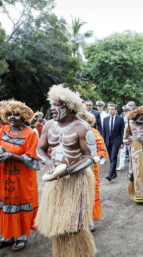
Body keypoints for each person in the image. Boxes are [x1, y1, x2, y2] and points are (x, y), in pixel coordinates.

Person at [35, 85, 97, 257]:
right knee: (57, 222)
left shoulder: (83, 127)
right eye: (52, 105)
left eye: (58, 105)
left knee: (74, 224)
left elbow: (90, 157)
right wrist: (47, 161)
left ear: (70, 107)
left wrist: (68, 170)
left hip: (76, 180)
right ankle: (61, 253)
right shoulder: (48, 126)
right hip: (55, 181)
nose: (53, 109)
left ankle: (80, 252)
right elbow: (39, 149)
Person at [0, 100, 39, 251]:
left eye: (16, 115)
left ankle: (21, 236)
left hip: (21, 177)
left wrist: (11, 155)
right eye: (9, 114)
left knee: (20, 204)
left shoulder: (30, 134)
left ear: (24, 116)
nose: (11, 117)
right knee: (6, 205)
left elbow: (33, 160)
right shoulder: (3, 130)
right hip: (3, 175)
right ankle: (8, 236)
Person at [77, 111, 108, 232]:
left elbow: (101, 149)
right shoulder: (70, 133)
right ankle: (76, 219)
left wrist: (97, 158)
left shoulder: (94, 133)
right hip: (73, 169)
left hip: (91, 169)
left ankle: (88, 220)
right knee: (75, 193)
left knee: (88, 193)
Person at [102, 103, 125, 181]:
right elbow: (104, 131)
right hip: (108, 141)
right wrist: (103, 141)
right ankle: (114, 173)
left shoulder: (120, 119)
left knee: (113, 157)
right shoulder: (105, 119)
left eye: (112, 109)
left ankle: (110, 174)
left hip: (116, 141)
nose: (110, 111)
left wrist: (122, 142)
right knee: (111, 159)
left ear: (116, 110)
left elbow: (122, 131)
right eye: (109, 109)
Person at [117, 105, 132, 171]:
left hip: (130, 137)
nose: (125, 112)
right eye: (124, 111)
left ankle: (132, 165)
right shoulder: (122, 119)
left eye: (127, 111)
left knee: (131, 151)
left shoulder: (132, 119)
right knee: (122, 152)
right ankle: (121, 165)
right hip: (123, 137)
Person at [96, 101, 108, 165]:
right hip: (96, 132)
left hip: (103, 131)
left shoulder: (105, 115)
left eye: (100, 106)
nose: (99, 107)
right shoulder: (94, 114)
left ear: (103, 107)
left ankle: (103, 158)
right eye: (98, 106)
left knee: (102, 145)